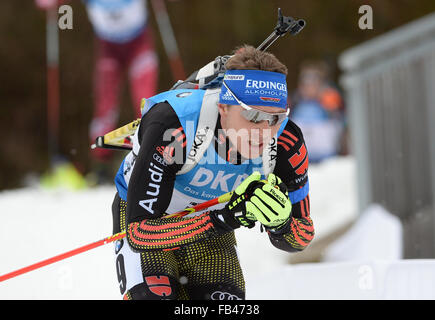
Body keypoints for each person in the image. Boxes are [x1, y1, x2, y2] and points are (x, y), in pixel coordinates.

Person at [112, 45, 314, 300]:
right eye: (252, 115)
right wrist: (222, 219)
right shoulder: (174, 125)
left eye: (275, 118)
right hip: (154, 222)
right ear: (223, 107)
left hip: (210, 230)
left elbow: (303, 234)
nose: (264, 130)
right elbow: (140, 233)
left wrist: (282, 224)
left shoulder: (287, 141)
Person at [290, 60, 346, 163]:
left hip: (325, 153)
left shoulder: (328, 97)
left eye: (312, 82)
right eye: (305, 83)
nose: (308, 87)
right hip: (301, 154)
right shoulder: (295, 99)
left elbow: (339, 122)